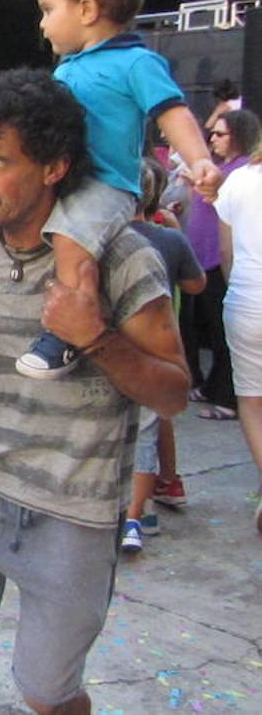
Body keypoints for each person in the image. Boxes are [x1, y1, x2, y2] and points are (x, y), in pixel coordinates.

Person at [0, 69, 186, 714]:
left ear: (55, 166)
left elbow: (175, 392)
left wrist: (95, 338)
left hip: (69, 511)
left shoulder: (121, 261)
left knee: (47, 694)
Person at [0, 0, 220, 380]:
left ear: (87, 10)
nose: (42, 24)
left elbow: (173, 113)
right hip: (61, 177)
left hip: (103, 184)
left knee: (72, 243)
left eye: (48, 10)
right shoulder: (70, 67)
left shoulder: (136, 63)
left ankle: (67, 331)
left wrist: (199, 160)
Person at [121, 159, 205, 553]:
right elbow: (196, 284)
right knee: (147, 430)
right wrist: (175, 233)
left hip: (114, 346)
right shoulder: (169, 239)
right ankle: (136, 515)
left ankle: (128, 510)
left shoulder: (104, 239)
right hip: (156, 344)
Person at [182, 108, 259, 421]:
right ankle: (212, 386)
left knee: (222, 334)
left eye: (221, 133)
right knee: (204, 329)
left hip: (219, 262)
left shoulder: (240, 173)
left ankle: (228, 396)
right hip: (201, 258)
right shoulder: (221, 169)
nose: (212, 138)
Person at [213, 130, 262, 534]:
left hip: (247, 296)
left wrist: (234, 287)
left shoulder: (239, 180)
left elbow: (225, 252)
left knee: (252, 400)